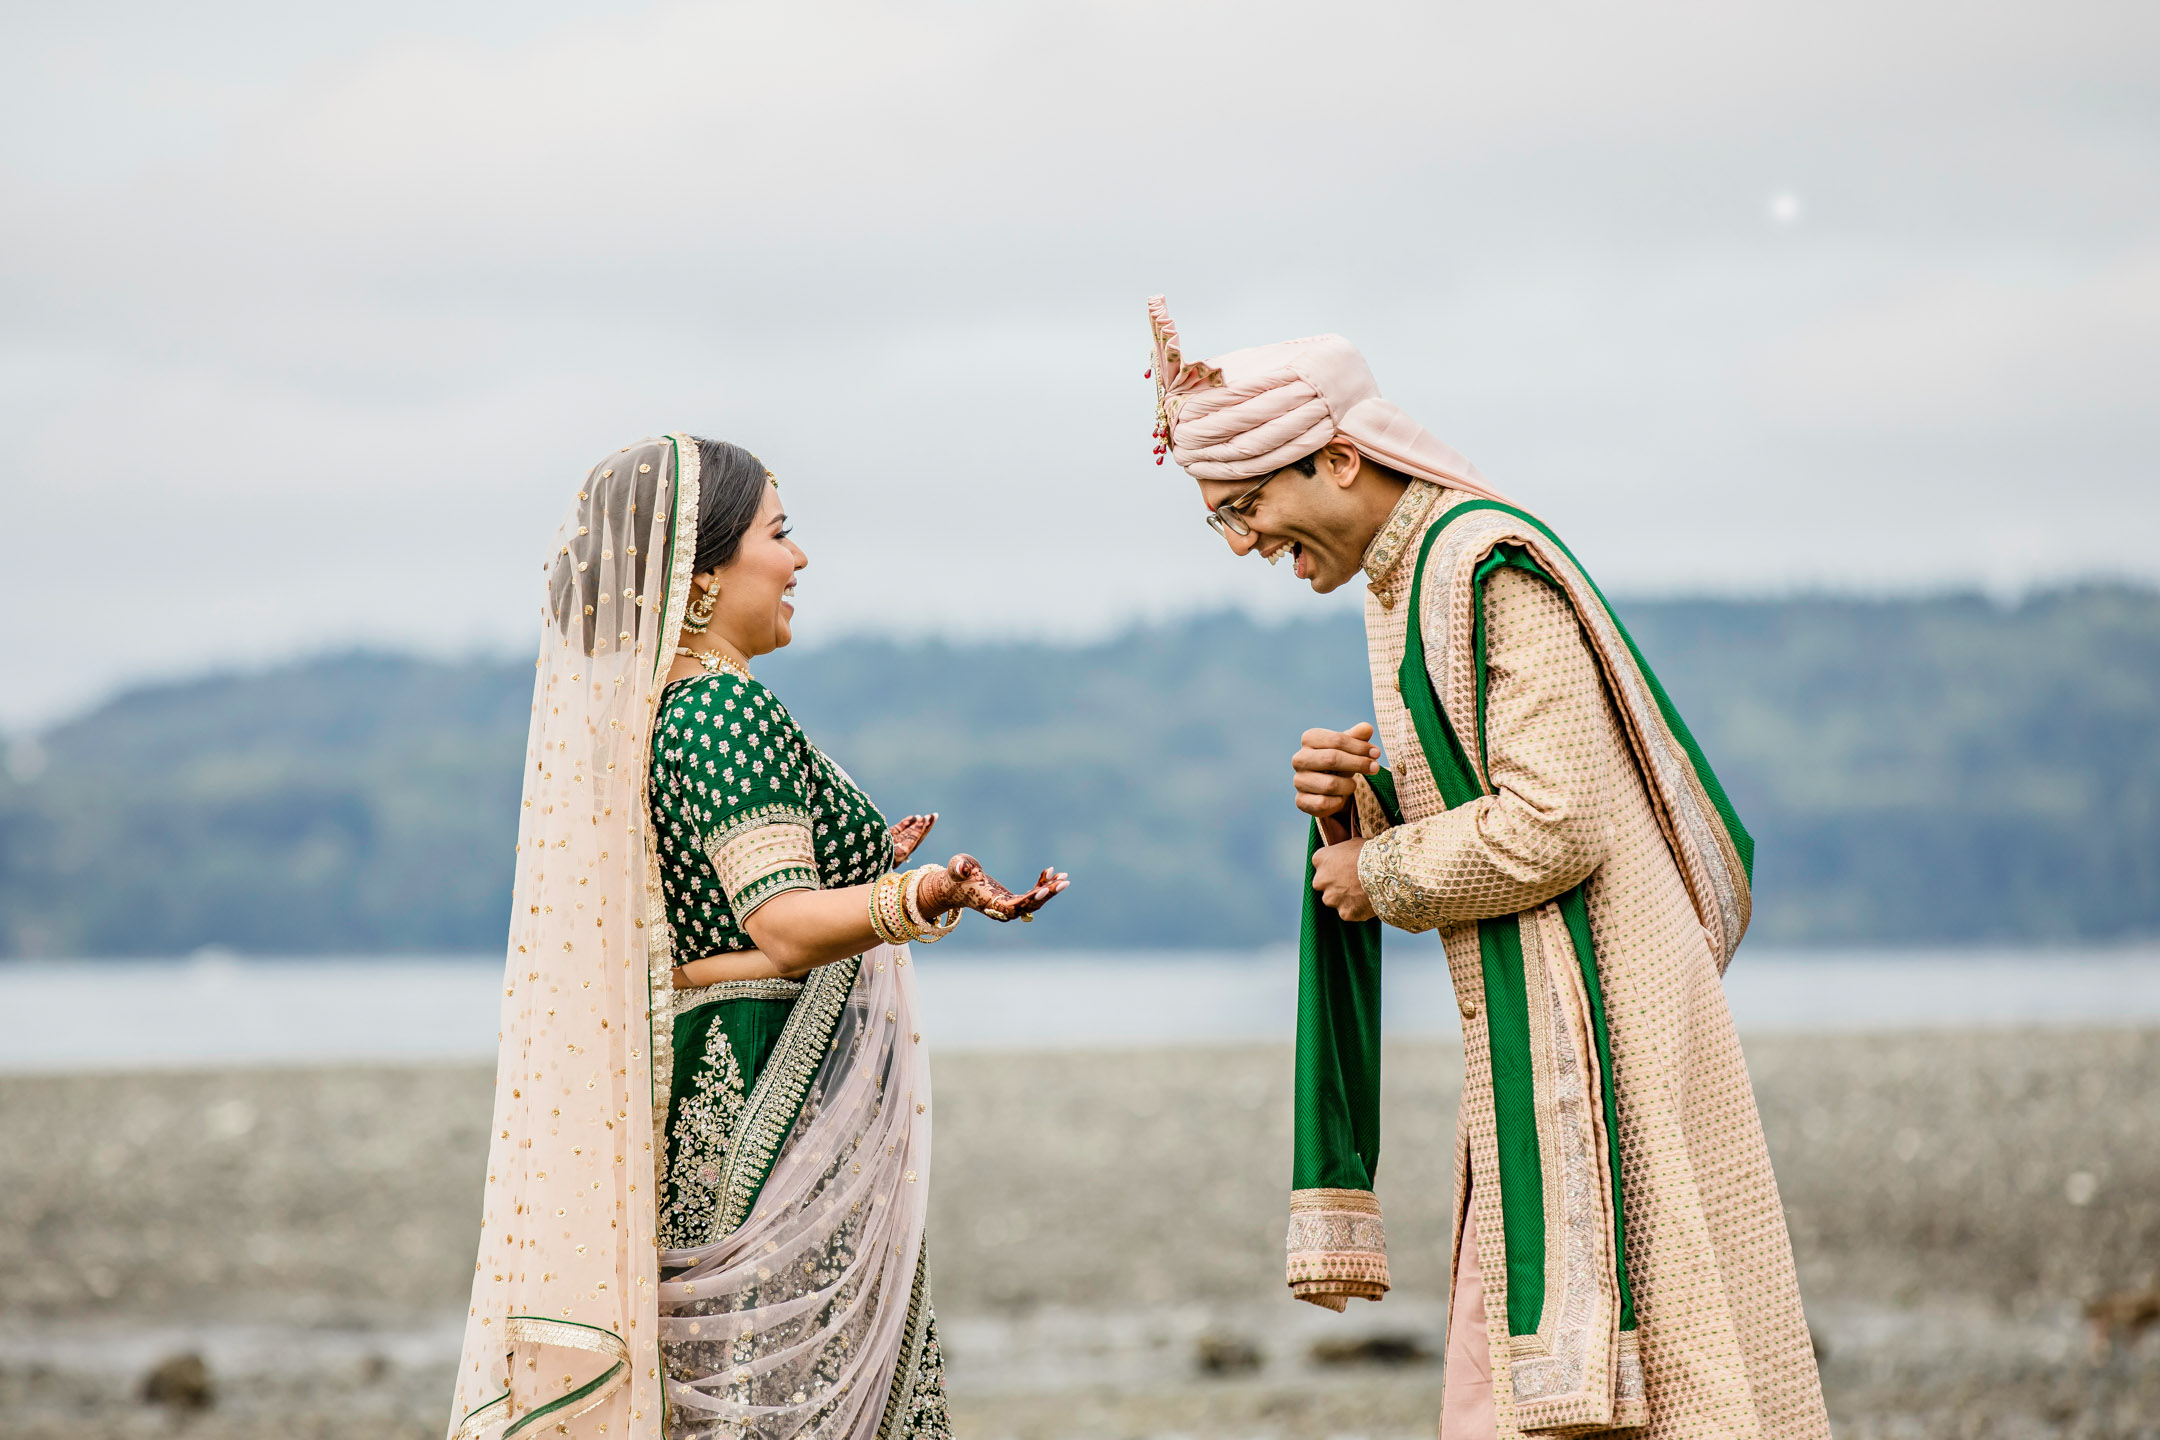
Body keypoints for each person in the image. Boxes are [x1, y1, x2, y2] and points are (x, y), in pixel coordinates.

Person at [1145, 298, 1830, 1439]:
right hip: (1550, 1021)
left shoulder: (1479, 565)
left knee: (1655, 1366)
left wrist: (1383, 871)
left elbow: (1555, 825)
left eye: (1247, 504)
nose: (1244, 543)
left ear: (1341, 456)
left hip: (1605, 1026)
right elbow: (1492, 793)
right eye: (1220, 518)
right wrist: (1356, 805)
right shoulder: (1399, 581)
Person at [447, 435, 1067, 1440]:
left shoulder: (654, 717)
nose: (800, 560)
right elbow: (779, 924)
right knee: (776, 1399)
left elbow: (692, 936)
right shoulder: (720, 708)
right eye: (780, 534)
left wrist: (869, 871)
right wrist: (911, 896)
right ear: (699, 580)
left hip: (713, 1090)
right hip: (766, 1120)